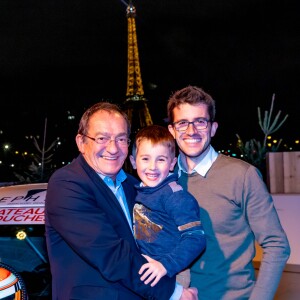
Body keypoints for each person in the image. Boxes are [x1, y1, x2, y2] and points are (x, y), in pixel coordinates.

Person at [45, 101, 198, 300]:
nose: (113, 148)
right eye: (102, 138)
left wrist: (174, 273)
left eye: (121, 139)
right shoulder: (67, 183)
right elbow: (112, 255)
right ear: (81, 142)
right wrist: (175, 293)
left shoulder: (135, 185)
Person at [167, 85, 291, 300]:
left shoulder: (242, 176)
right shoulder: (164, 179)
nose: (191, 131)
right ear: (172, 130)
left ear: (213, 128)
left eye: (200, 122)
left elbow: (276, 244)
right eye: (182, 123)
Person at [129, 125, 206, 288]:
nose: (152, 167)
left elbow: (196, 238)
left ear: (172, 163)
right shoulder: (141, 191)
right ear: (133, 162)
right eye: (145, 159)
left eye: (161, 159)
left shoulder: (175, 196)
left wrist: (165, 265)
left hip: (173, 272)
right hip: (150, 270)